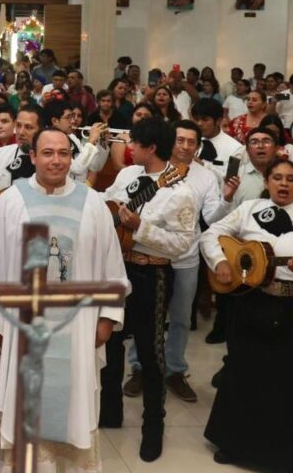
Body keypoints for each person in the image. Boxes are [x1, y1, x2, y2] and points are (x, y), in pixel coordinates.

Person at [0, 128, 129, 473]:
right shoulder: (11, 201)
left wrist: (107, 318)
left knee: (73, 409)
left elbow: (112, 264)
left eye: (63, 153)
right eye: (47, 153)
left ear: (72, 158)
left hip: (79, 328)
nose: (56, 160)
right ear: (33, 158)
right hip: (20, 328)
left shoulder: (93, 203)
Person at [201, 159, 293, 471]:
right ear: (267, 181)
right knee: (244, 375)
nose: (283, 185)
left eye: (290, 179)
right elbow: (210, 235)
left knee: (288, 384)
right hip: (251, 302)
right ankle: (234, 444)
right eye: (277, 178)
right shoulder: (249, 209)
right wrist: (220, 261)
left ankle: (282, 455)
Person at [100, 117, 198, 462]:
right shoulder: (128, 175)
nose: (130, 149)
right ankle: (108, 411)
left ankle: (153, 426)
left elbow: (181, 244)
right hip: (116, 269)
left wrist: (140, 228)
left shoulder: (179, 192)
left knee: (150, 351)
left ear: (151, 147)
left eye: (135, 144)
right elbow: (107, 206)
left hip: (150, 275)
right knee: (109, 342)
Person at [122, 121, 230, 403]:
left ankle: (175, 370)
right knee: (142, 317)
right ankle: (139, 368)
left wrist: (227, 200)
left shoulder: (202, 178)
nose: (184, 146)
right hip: (142, 258)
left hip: (183, 258)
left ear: (197, 145)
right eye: (179, 140)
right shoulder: (146, 171)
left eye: (190, 142)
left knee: (180, 317)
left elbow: (208, 219)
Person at [191, 98, 243, 181]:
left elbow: (230, 180)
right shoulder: (188, 143)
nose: (199, 123)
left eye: (205, 119)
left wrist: (203, 165)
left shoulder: (236, 148)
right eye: (196, 119)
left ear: (218, 121)